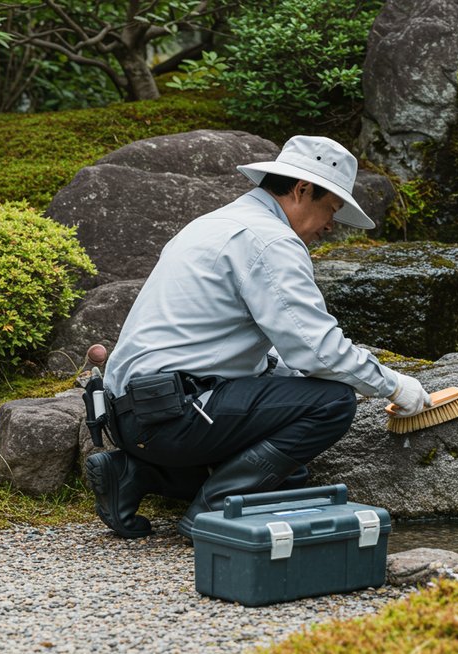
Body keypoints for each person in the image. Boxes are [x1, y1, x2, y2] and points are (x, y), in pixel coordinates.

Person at [85, 135, 431, 540]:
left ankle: (131, 473)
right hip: (171, 414)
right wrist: (394, 386)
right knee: (331, 402)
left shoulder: (215, 223)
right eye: (331, 209)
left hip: (131, 416)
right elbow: (316, 350)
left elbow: (248, 348)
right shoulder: (270, 240)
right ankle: (213, 510)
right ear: (302, 190)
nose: (330, 226)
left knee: (285, 465)